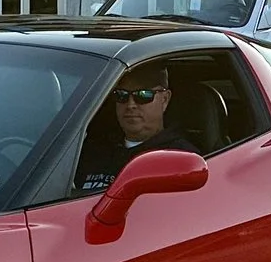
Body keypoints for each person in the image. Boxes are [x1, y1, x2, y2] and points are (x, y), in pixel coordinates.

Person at [74, 64, 199, 193]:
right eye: (121, 95)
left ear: (165, 99)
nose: (130, 105)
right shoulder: (91, 152)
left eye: (143, 95)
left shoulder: (182, 158)